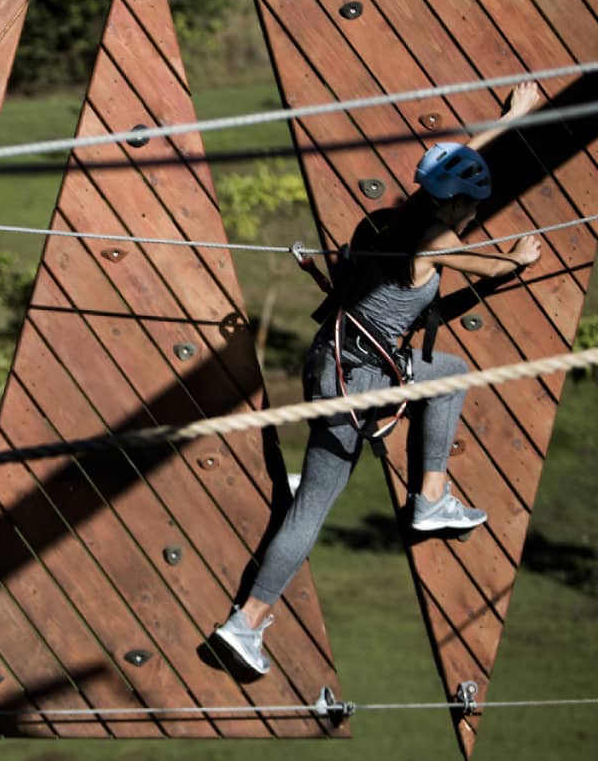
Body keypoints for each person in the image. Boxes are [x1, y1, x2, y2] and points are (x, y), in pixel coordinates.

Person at [214, 82, 546, 675]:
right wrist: (520, 258)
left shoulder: (394, 220)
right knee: (319, 500)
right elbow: (495, 264)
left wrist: (513, 118)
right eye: (469, 207)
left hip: (331, 359)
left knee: (439, 376)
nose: (473, 213)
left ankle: (248, 620)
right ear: (449, 206)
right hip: (361, 379)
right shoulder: (435, 238)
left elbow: (456, 168)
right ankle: (428, 501)